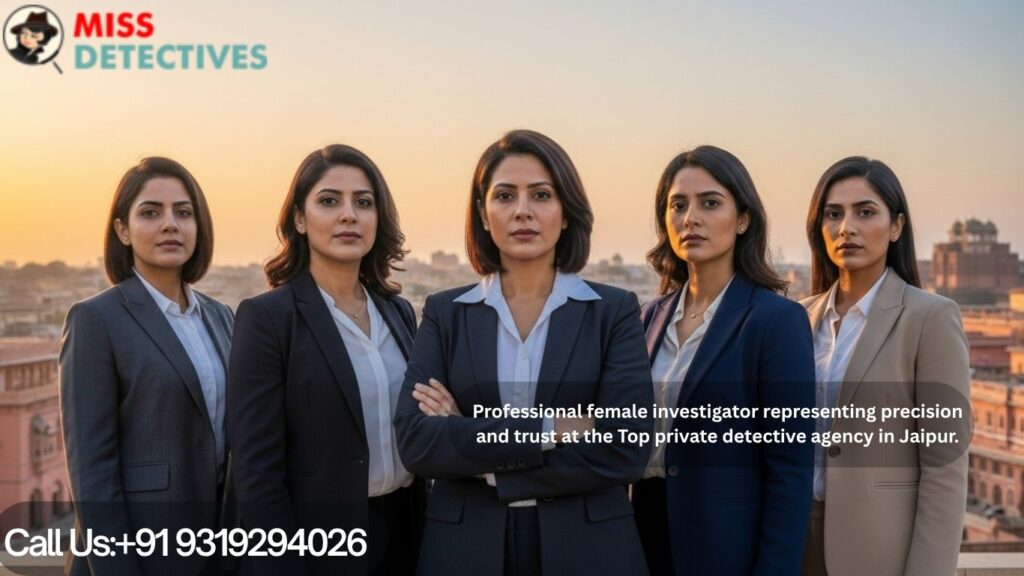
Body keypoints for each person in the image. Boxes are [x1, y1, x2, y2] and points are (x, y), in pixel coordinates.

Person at [394, 129, 653, 576]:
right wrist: (551, 428)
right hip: (465, 545)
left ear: (566, 211)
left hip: (589, 545)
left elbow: (626, 446)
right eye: (505, 196)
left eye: (541, 194)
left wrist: (472, 440)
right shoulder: (445, 313)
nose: (522, 211)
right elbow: (417, 443)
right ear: (483, 212)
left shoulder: (613, 311)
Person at [226, 144, 421, 576]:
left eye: (363, 202)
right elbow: (256, 471)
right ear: (299, 218)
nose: (348, 215)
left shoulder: (399, 311)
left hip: (406, 532)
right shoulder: (268, 318)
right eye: (329, 201)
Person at [634, 145, 815, 575]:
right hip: (640, 537)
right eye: (677, 205)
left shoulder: (777, 321)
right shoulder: (648, 318)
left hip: (725, 548)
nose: (689, 218)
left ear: (743, 219)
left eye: (709, 203)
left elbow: (789, 473)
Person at [60, 157, 234, 575]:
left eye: (184, 212)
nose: (170, 224)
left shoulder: (222, 315)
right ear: (122, 230)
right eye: (151, 212)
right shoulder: (96, 320)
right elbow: (93, 474)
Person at [799, 156, 970, 576]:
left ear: (896, 227)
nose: (846, 228)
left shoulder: (929, 317)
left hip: (878, 549)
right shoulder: (797, 319)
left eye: (865, 212)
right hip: (793, 544)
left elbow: (944, 471)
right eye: (833, 214)